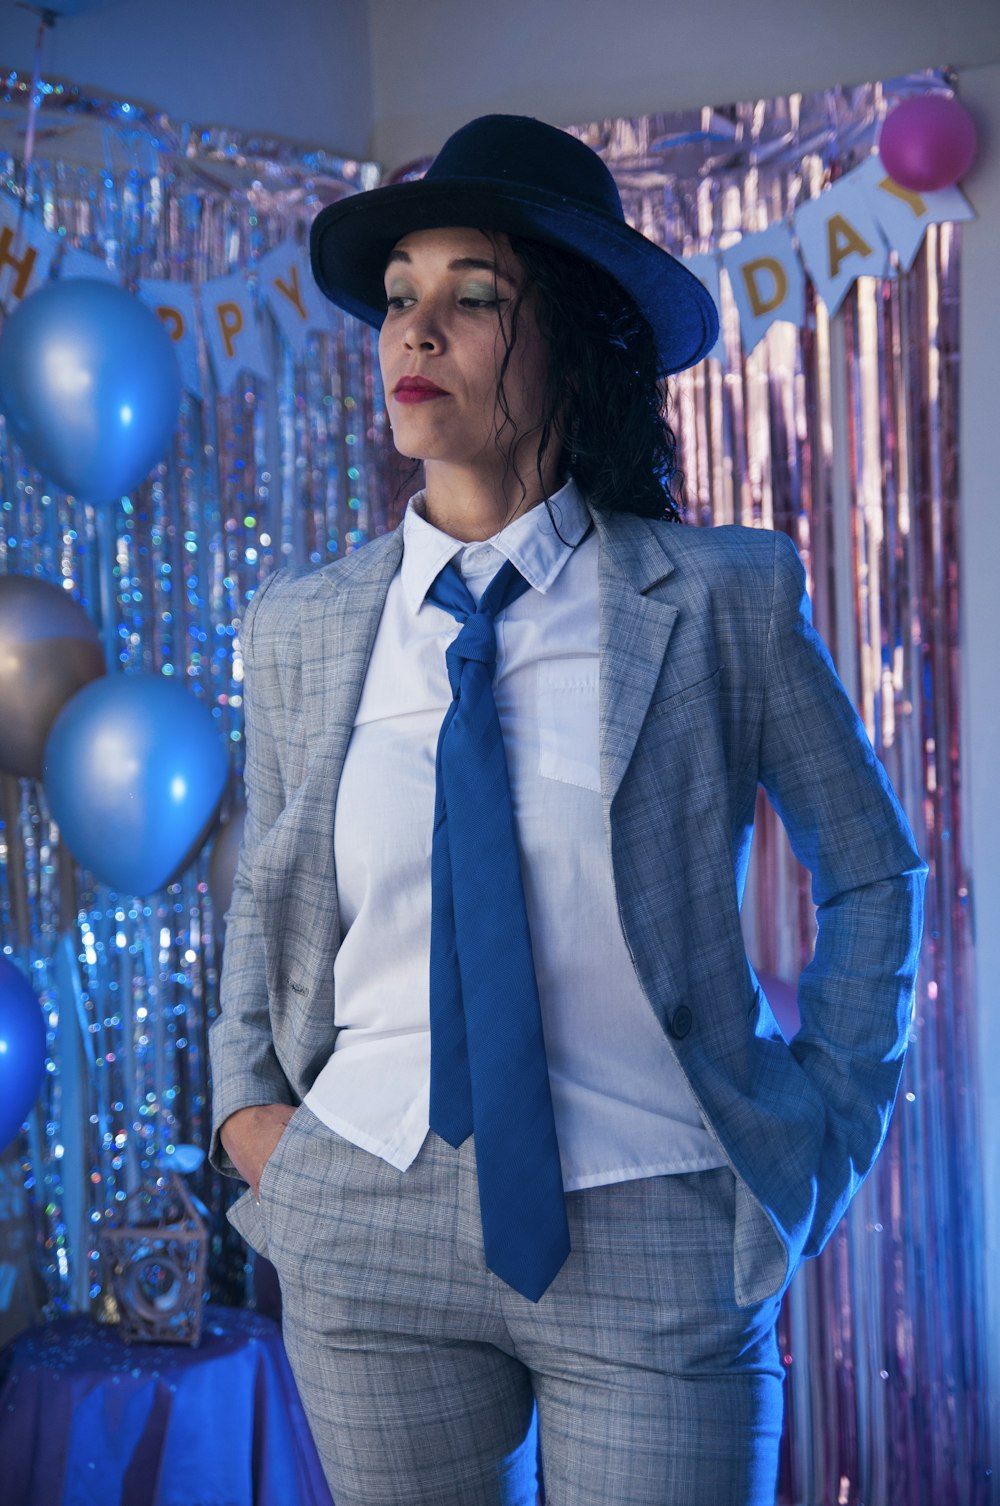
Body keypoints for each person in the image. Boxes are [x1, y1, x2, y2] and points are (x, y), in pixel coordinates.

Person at [209, 115, 926, 1506]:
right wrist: (249, 1112)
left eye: (474, 296)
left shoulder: (722, 596)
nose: (416, 331)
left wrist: (824, 1126)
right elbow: (268, 889)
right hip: (363, 1210)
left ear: (577, 336)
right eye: (401, 295)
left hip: (653, 1214)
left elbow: (871, 871)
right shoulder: (300, 627)